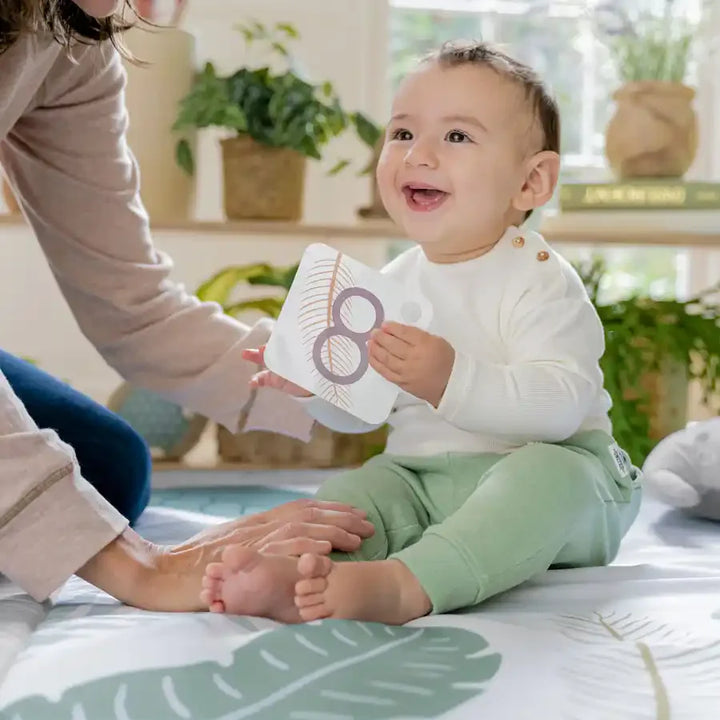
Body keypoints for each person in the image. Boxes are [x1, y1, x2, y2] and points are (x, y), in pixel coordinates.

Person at [200, 40, 643, 625]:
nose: (418, 155)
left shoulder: (539, 280)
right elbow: (367, 412)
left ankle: (407, 584)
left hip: (562, 482)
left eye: (456, 137)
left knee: (548, 478)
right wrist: (319, 388)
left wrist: (448, 378)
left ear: (531, 183)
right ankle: (299, 572)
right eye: (403, 134)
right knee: (356, 497)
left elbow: (559, 409)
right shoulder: (392, 284)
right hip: (425, 482)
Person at [0, 0, 373, 612]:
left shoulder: (73, 39)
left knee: (110, 470)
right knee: (65, 523)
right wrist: (138, 568)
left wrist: (346, 382)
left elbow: (134, 305)